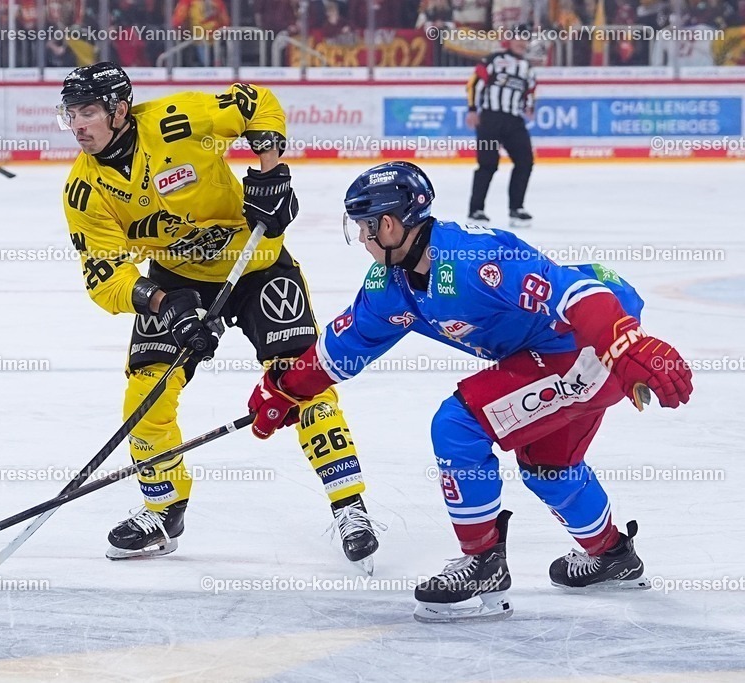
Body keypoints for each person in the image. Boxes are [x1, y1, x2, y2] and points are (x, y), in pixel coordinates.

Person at [248, 161, 693, 622]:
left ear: (389, 223)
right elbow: (342, 349)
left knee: (458, 425)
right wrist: (284, 389)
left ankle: (482, 562)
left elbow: (575, 293)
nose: (360, 239)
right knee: (549, 468)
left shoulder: (475, 258)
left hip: (589, 345)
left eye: (364, 227)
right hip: (561, 353)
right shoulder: (389, 284)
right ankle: (612, 555)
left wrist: (624, 341)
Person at [60, 62, 382, 571]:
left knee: (301, 380)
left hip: (254, 260)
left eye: (89, 112)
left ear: (120, 110)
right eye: (71, 114)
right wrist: (163, 304)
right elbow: (103, 278)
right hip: (175, 280)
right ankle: (163, 511)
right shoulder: (85, 191)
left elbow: (257, 102)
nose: (78, 125)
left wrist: (273, 172)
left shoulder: (178, 118)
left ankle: (350, 507)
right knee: (145, 393)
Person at [466, 26, 537, 228]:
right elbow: (473, 84)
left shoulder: (528, 69)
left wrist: (530, 106)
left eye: (526, 40)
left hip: (514, 121)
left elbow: (531, 91)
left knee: (525, 162)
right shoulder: (493, 60)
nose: (522, 43)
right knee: (488, 164)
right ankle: (476, 210)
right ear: (510, 40)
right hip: (490, 120)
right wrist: (472, 109)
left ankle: (517, 208)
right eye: (519, 39)